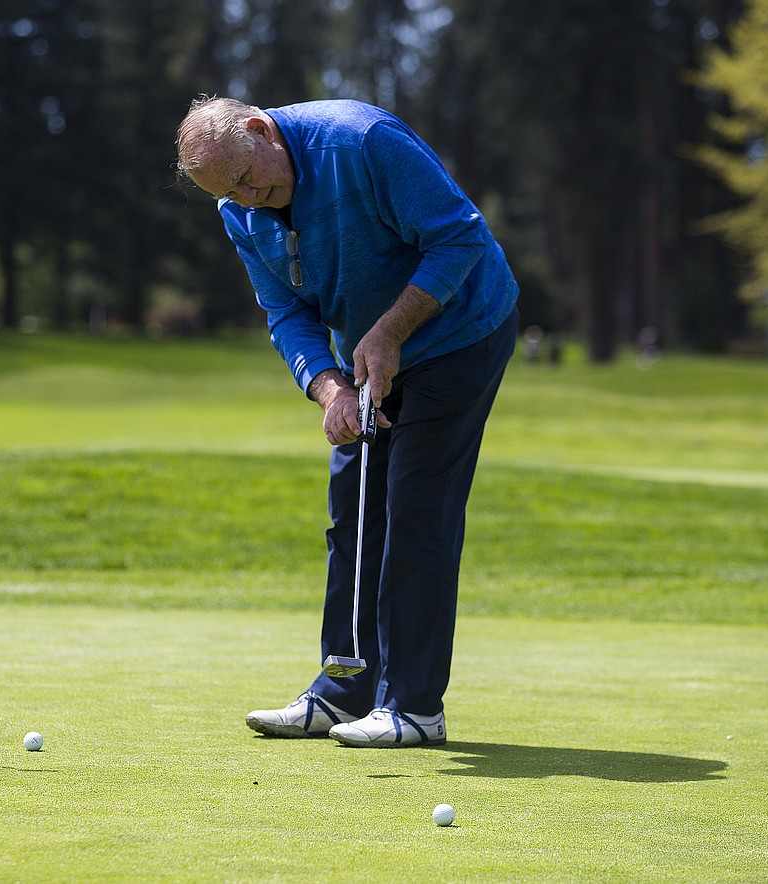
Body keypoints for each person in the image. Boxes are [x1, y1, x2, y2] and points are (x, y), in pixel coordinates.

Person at [175, 96, 519, 748]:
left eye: (249, 180)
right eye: (230, 193)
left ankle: (415, 708)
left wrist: (390, 331)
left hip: (461, 334)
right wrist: (329, 387)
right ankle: (343, 689)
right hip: (369, 356)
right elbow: (287, 313)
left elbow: (461, 235)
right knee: (355, 512)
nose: (248, 199)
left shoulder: (362, 142)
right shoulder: (239, 209)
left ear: (259, 129)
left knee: (414, 507)